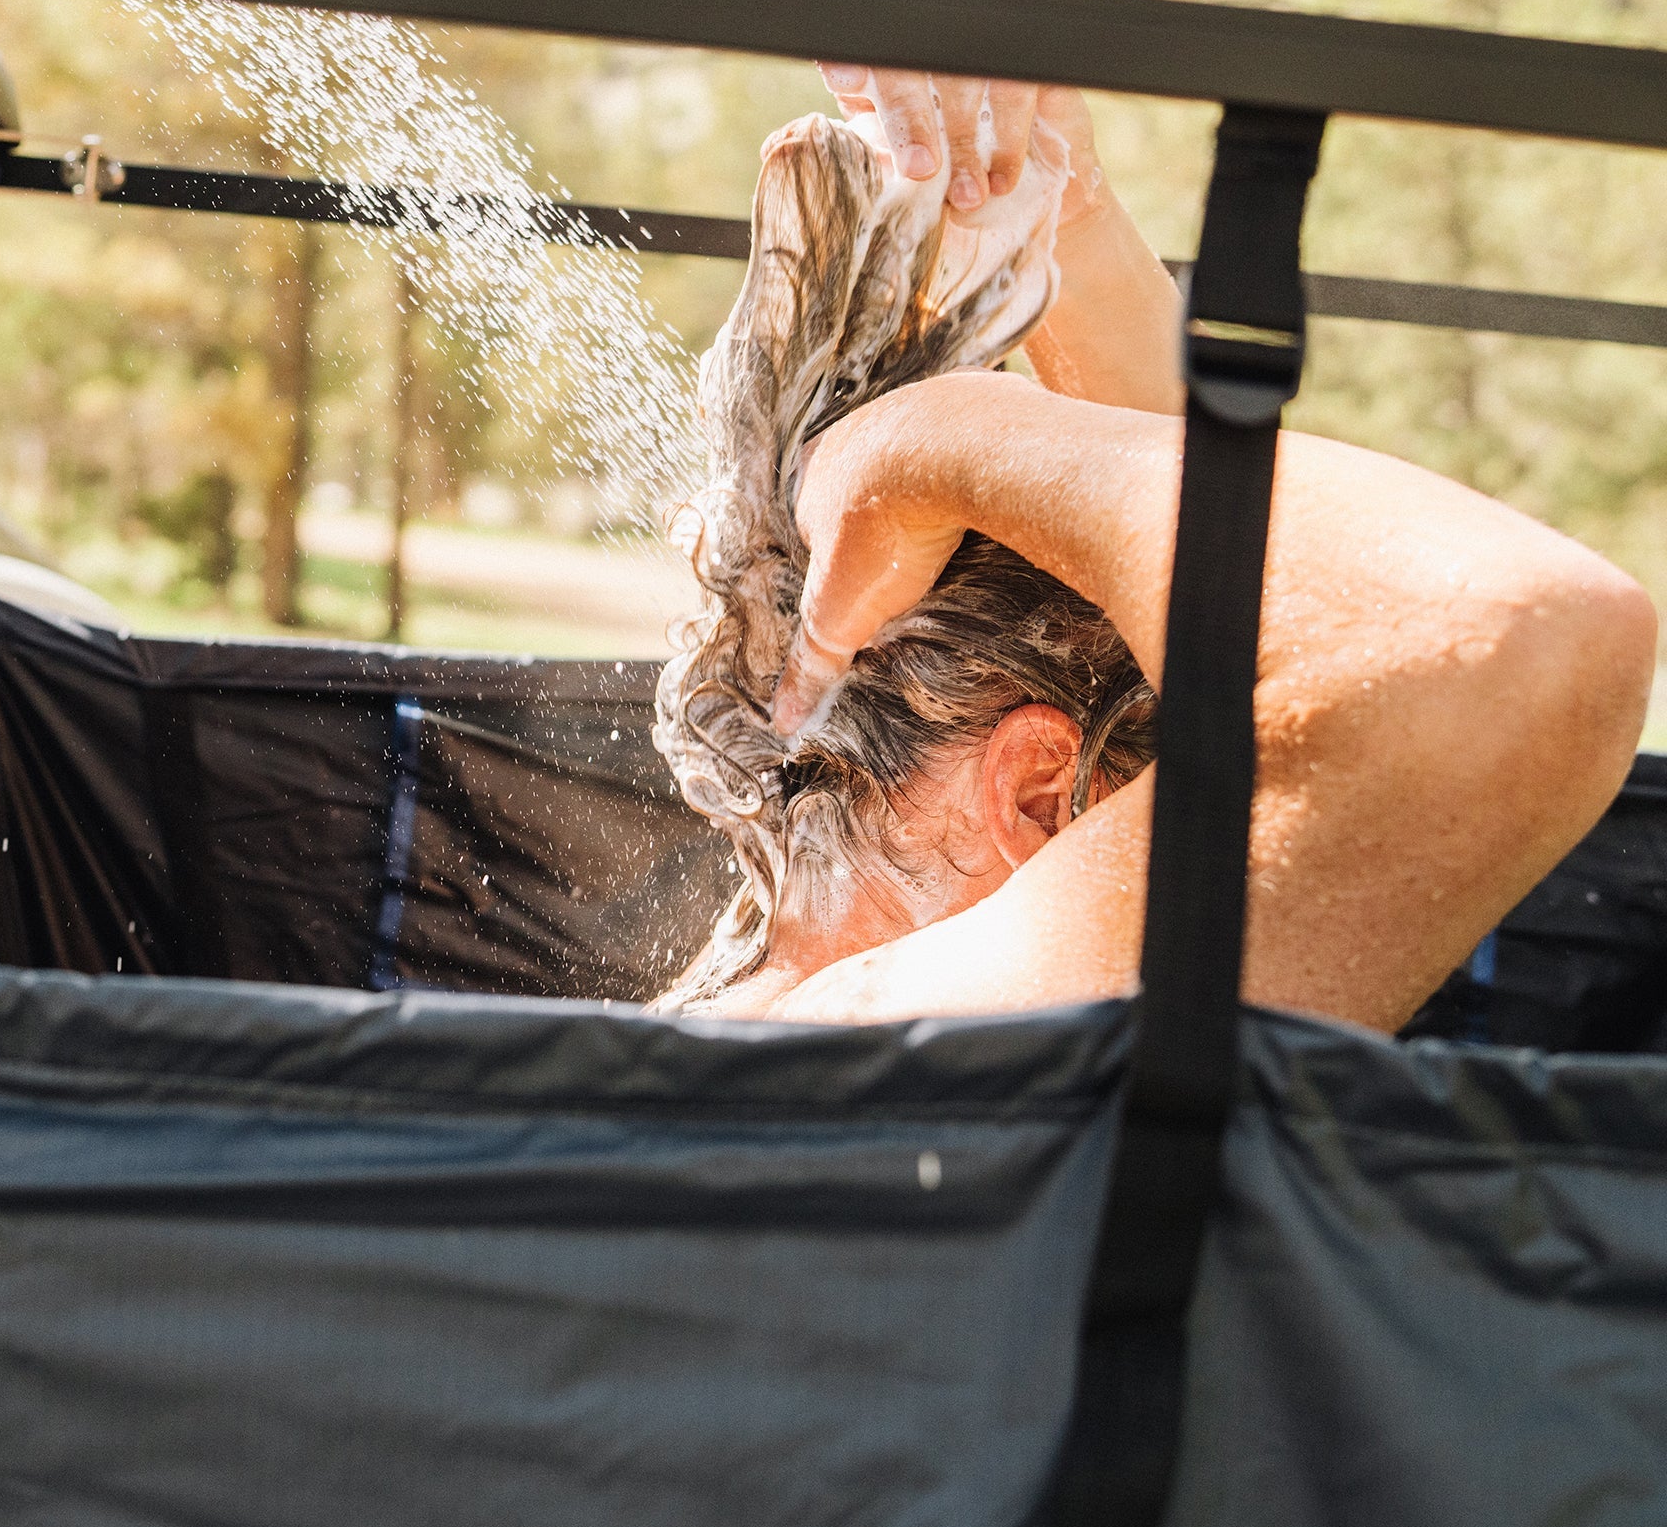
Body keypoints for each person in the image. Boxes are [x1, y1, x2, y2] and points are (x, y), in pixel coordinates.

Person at [653, 65, 1656, 1029]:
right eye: (1195, 761)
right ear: (1042, 792)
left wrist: (1066, 217)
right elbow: (1529, 646)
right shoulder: (897, 1022)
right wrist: (924, 448)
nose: (1252, 777)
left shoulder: (795, 1004)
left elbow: (1212, 555)